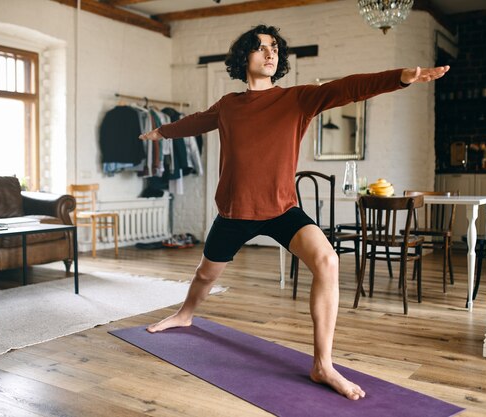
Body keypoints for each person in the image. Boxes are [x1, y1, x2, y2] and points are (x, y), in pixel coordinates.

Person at [139, 24, 449, 401]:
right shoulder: (229, 106)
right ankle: (186, 313)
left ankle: (323, 364)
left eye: (274, 48)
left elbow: (346, 88)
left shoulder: (297, 100)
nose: (269, 53)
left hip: (282, 208)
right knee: (205, 274)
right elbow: (197, 121)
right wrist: (161, 132)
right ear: (244, 59)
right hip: (235, 211)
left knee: (327, 261)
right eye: (259, 48)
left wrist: (398, 78)